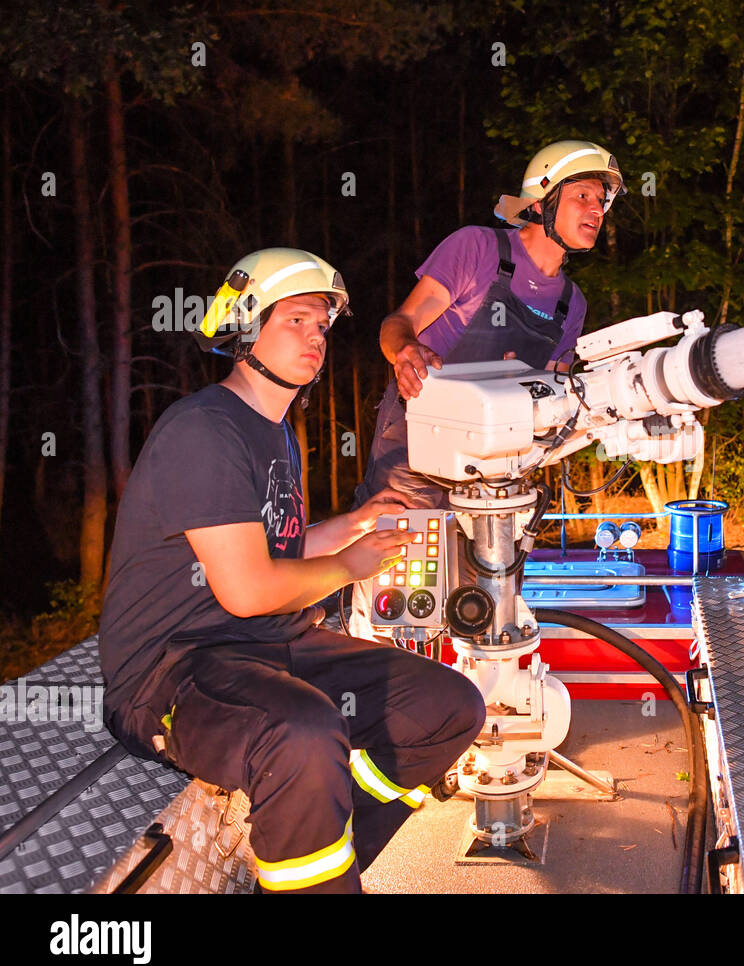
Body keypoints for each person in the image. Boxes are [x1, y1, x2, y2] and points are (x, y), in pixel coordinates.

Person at [98, 248, 486, 893]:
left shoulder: (274, 429)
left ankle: (321, 858)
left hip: (264, 643)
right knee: (302, 732)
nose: (316, 337)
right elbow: (248, 588)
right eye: (297, 319)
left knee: (447, 705)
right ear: (245, 327)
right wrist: (345, 565)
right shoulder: (205, 429)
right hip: (175, 669)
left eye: (323, 326)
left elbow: (274, 548)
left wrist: (350, 525)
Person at [349, 140, 626, 637]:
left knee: (485, 606)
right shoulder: (478, 248)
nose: (596, 210)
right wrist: (404, 351)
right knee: (397, 602)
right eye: (582, 195)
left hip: (495, 470)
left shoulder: (571, 303)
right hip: (413, 456)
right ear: (542, 201)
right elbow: (399, 322)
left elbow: (553, 392)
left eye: (601, 201)